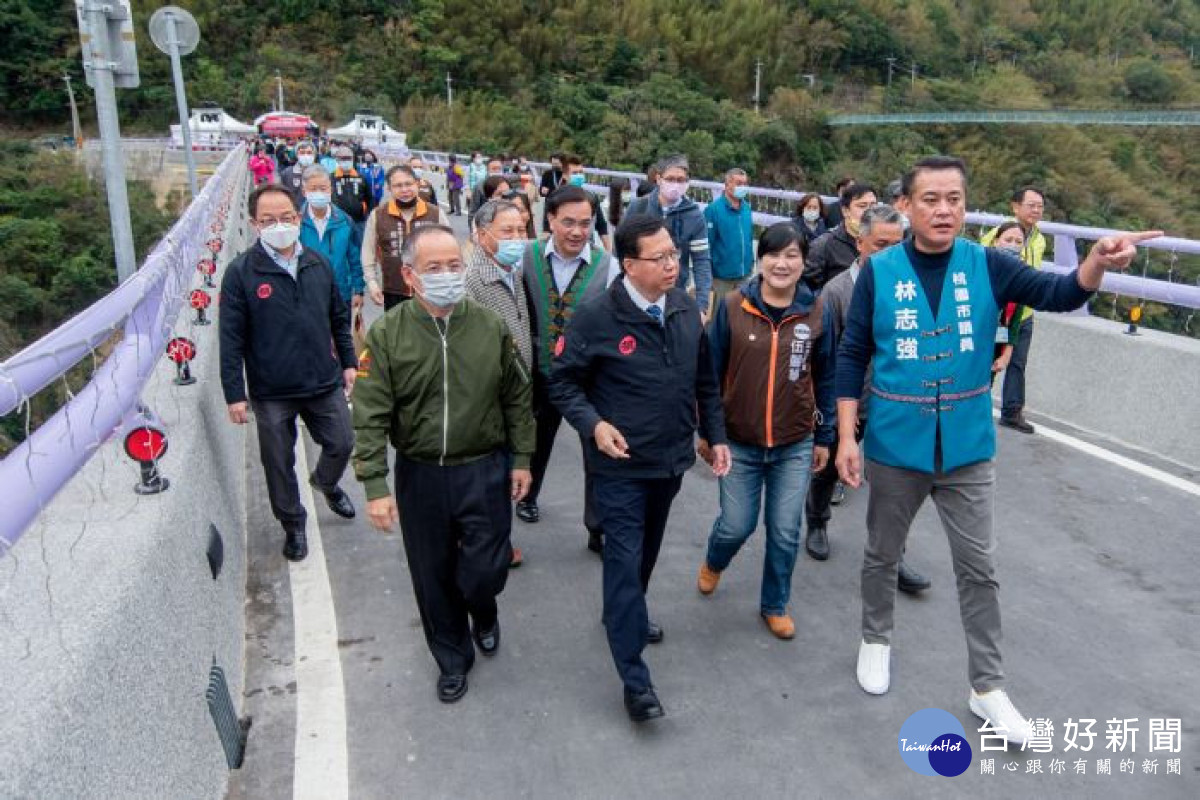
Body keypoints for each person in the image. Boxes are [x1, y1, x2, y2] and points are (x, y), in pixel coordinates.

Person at [835, 154, 1159, 744]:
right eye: (930, 199)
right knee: (882, 552)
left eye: (954, 199)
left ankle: (987, 686)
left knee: (978, 569)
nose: (943, 210)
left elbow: (1060, 293)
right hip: (894, 442)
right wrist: (845, 437)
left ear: (966, 206)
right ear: (905, 206)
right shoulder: (880, 273)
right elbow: (852, 353)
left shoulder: (988, 264)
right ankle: (875, 639)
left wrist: (1095, 264)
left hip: (965, 447)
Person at [548, 213, 731, 723]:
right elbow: (562, 383)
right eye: (661, 258)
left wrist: (713, 436)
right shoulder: (596, 316)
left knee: (646, 554)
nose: (674, 264)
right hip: (620, 466)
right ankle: (634, 677)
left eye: (674, 254)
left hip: (669, 461)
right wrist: (594, 425)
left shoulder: (685, 307)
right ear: (629, 265)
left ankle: (625, 612)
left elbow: (705, 383)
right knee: (623, 560)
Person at [352, 225, 535, 704]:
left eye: (455, 265)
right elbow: (369, 412)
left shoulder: (488, 326)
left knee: (485, 567)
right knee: (432, 574)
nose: (448, 275)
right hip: (421, 473)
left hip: (484, 467)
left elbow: (517, 397)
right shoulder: (389, 333)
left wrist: (521, 458)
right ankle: (452, 658)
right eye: (434, 268)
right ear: (410, 277)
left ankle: (484, 608)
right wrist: (374, 483)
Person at [696, 222, 834, 640]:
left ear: (804, 261)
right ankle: (714, 561)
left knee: (786, 529)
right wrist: (708, 432)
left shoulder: (816, 311)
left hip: (794, 441)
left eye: (792, 255)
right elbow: (709, 373)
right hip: (739, 440)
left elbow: (826, 377)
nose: (782, 263)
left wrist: (825, 437)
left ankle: (774, 604)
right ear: (761, 259)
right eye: (774, 254)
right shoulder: (734, 305)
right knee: (736, 525)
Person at [219, 185, 358, 562]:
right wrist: (235, 393)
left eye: (286, 217)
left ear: (297, 218)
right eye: (268, 220)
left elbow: (338, 318)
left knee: (342, 442)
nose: (279, 225)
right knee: (278, 463)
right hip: (272, 389)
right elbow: (230, 339)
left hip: (322, 379)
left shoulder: (317, 263)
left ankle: (326, 483)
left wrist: (348, 362)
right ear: (253, 224)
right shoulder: (241, 273)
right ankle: (293, 524)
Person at [803, 203, 931, 593]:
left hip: (895, 402)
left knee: (897, 483)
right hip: (848, 402)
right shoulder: (838, 291)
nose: (890, 253)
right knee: (828, 469)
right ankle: (818, 523)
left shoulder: (911, 287)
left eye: (898, 244)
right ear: (860, 242)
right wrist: (822, 407)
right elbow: (823, 356)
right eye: (880, 244)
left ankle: (894, 555)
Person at [517, 186, 618, 551]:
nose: (577, 232)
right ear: (550, 221)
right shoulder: (526, 257)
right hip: (540, 372)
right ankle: (527, 496)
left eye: (586, 224)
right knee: (536, 441)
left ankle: (598, 527)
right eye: (569, 223)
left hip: (588, 378)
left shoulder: (607, 265)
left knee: (596, 449)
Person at [465, 199, 534, 568]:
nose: (517, 238)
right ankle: (491, 546)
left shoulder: (511, 269)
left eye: (521, 230)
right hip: (491, 395)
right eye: (507, 231)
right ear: (481, 235)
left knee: (505, 471)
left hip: (514, 390)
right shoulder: (473, 280)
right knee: (491, 477)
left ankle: (498, 541)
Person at [980, 187, 1049, 434]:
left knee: (1017, 362)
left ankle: (1012, 412)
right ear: (1015, 207)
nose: (1036, 210)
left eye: (1040, 206)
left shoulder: (1040, 238)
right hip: (997, 315)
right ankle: (973, 407)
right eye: (1031, 204)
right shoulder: (995, 235)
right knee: (989, 361)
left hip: (1022, 311)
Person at [626, 155, 713, 317]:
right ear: (658, 179)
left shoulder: (694, 215)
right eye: (671, 179)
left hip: (674, 294)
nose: (676, 184)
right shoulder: (639, 207)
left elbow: (701, 260)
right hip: (638, 291)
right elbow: (620, 251)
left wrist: (702, 305)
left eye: (681, 180)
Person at [362, 165, 451, 310]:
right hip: (393, 291)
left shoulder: (435, 214)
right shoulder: (378, 215)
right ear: (389, 189)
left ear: (417, 184)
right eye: (397, 186)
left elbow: (450, 250)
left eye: (408, 184)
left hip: (430, 289)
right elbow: (368, 252)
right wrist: (371, 282)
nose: (404, 190)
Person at [298, 165, 365, 311]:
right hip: (306, 295)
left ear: (330, 189)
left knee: (341, 332)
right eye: (313, 189)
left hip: (341, 293)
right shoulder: (296, 222)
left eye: (323, 188)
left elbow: (355, 258)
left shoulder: (345, 221)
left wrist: (358, 290)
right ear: (304, 192)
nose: (319, 193)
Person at [803, 183, 877, 292]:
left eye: (873, 206)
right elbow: (806, 288)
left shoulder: (885, 244)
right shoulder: (824, 245)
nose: (869, 211)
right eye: (862, 206)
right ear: (845, 211)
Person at [704, 167, 756, 304]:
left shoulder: (746, 208)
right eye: (739, 183)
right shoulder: (713, 210)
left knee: (741, 315)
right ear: (727, 185)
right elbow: (707, 243)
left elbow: (749, 237)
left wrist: (751, 264)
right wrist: (707, 274)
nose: (743, 187)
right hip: (721, 278)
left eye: (745, 184)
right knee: (720, 316)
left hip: (744, 275)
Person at [986, 222, 1028, 385]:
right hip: (968, 338)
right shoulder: (981, 267)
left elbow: (1015, 321)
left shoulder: (1021, 275)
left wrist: (1006, 354)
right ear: (996, 241)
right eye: (1008, 240)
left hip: (996, 341)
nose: (1013, 245)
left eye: (1018, 242)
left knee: (985, 386)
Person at [330, 146, 375, 229]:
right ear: (337, 160)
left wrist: (366, 212)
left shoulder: (361, 177)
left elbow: (370, 198)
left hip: (359, 221)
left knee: (359, 241)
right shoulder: (331, 178)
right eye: (343, 158)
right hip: (338, 222)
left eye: (349, 158)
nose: (346, 161)